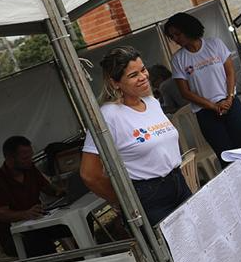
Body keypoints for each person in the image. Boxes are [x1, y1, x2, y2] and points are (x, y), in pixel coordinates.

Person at [81, 47, 191, 226]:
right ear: (115, 82)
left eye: (143, 69)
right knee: (170, 252)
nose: (143, 77)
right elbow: (89, 174)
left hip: (178, 182)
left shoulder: (152, 102)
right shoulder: (108, 115)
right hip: (148, 195)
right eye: (133, 75)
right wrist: (121, 201)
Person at [164, 13, 241, 165]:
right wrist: (213, 106)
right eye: (172, 36)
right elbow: (185, 92)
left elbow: (230, 73)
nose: (175, 39)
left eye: (177, 34)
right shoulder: (178, 59)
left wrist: (229, 98)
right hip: (206, 113)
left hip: (231, 105)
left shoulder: (214, 44)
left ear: (188, 28)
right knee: (226, 157)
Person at [0, 136, 67, 257]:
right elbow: (2, 214)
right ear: (10, 158)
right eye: (25, 158)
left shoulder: (29, 169)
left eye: (31, 156)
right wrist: (26, 214)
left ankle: (84, 256)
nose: (30, 160)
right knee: (40, 241)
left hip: (39, 224)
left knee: (77, 221)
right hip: (15, 236)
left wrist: (60, 191)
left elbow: (48, 189)